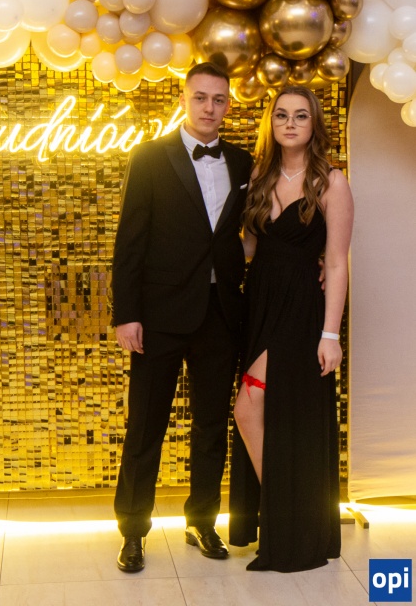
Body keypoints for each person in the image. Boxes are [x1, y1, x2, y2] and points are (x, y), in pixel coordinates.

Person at [111, 62, 253, 572]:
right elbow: (130, 240)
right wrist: (127, 314)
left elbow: (252, 232)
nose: (209, 108)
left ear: (229, 105)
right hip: (159, 316)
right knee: (145, 426)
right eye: (200, 97)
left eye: (219, 99)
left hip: (221, 313)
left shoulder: (243, 161)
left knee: (212, 425)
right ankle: (132, 531)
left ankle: (202, 520)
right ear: (184, 100)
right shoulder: (150, 156)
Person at [228, 86, 354, 573]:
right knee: (262, 413)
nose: (290, 123)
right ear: (272, 123)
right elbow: (250, 248)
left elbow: (336, 262)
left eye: (301, 116)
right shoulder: (259, 178)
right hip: (261, 305)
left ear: (314, 124)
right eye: (282, 115)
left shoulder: (331, 182)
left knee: (251, 409)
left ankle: (289, 518)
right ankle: (291, 517)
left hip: (303, 309)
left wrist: (330, 335)